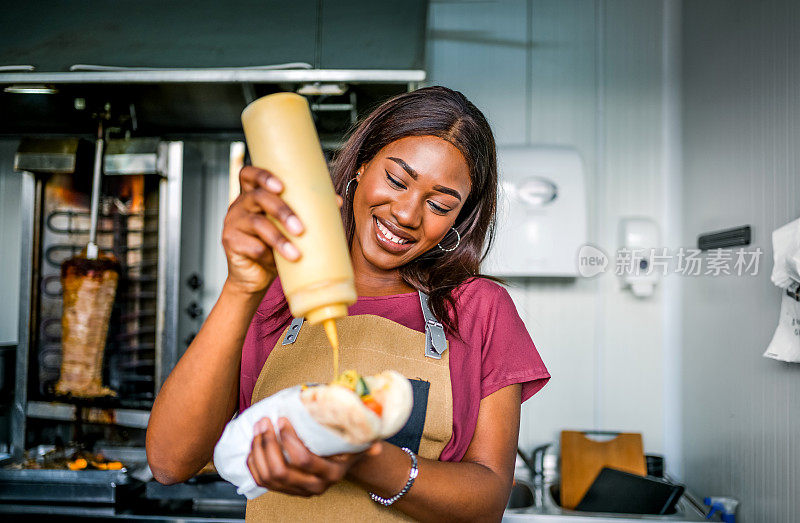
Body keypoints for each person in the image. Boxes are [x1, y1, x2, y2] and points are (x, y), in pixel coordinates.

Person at [146, 86, 550, 522]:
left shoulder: (479, 309)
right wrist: (242, 287)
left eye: (439, 204)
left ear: (460, 218)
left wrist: (363, 460)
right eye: (396, 180)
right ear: (361, 165)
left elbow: (488, 500)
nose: (408, 214)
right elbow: (170, 463)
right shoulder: (273, 295)